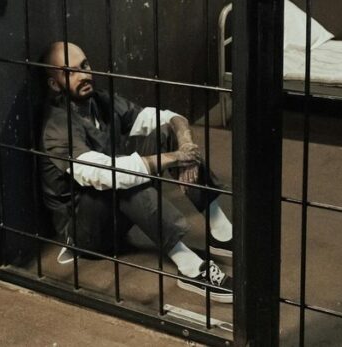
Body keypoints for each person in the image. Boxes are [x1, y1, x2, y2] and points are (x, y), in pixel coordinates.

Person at [38, 42, 234, 302]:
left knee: (165, 136)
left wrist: (185, 145)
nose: (84, 75)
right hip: (85, 233)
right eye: (70, 72)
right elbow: (105, 174)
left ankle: (219, 230)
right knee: (121, 174)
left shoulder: (100, 101)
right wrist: (175, 157)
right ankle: (188, 266)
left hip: (115, 215)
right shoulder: (57, 126)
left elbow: (165, 118)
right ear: (54, 84)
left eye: (84, 66)